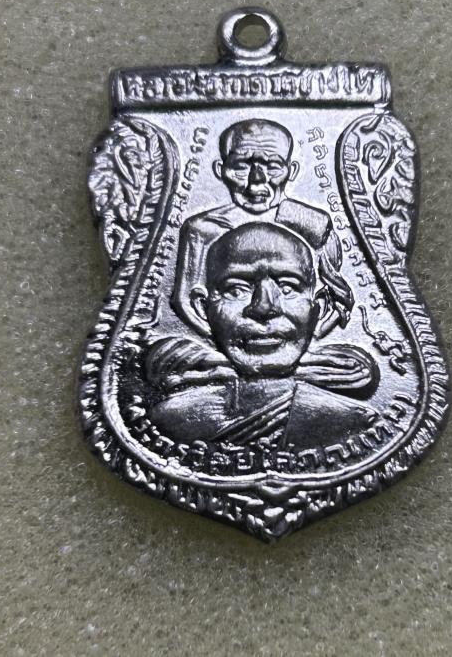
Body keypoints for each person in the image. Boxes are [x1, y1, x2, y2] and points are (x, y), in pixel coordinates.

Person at [150, 223, 376, 449]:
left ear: (320, 307)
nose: (264, 307)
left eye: (287, 288)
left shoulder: (353, 422)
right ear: (202, 308)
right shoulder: (171, 421)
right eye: (236, 290)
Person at [172, 119, 353, 338]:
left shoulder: (311, 224)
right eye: (241, 166)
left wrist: (312, 336)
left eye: (273, 167)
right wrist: (225, 340)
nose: (256, 180)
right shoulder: (203, 229)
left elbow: (337, 297)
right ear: (220, 170)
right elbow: (185, 302)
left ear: (292, 171)